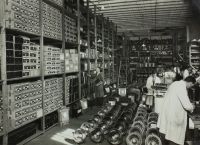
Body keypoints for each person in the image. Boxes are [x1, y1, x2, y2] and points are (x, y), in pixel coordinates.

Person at [157, 76, 196, 145]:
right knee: (174, 137)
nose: (190, 87)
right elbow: (186, 105)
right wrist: (192, 107)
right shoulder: (182, 87)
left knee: (168, 134)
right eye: (191, 85)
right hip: (174, 116)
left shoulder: (175, 83)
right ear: (190, 83)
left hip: (168, 112)